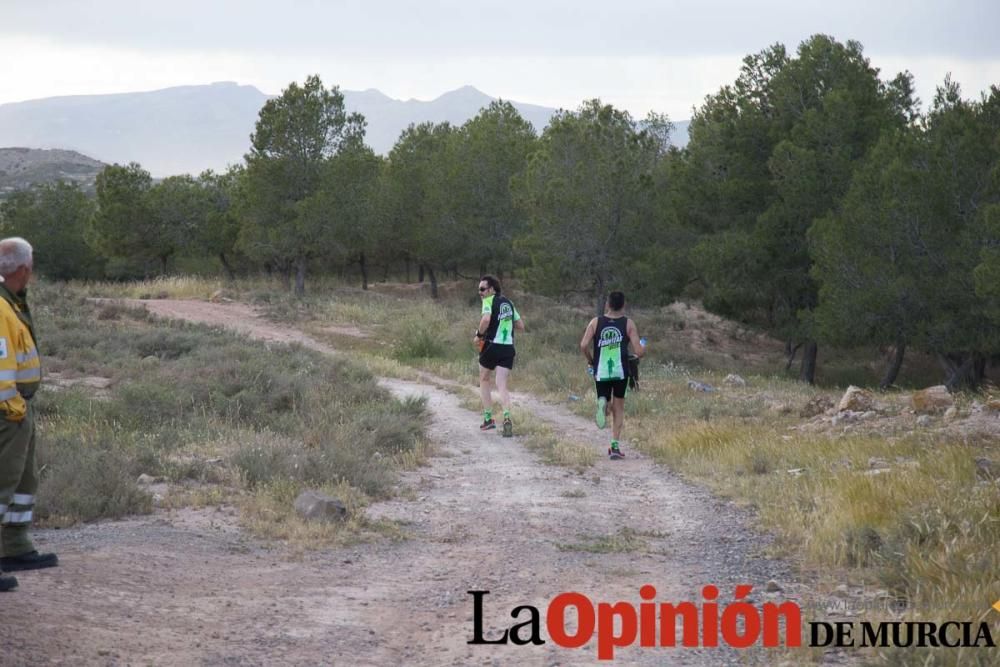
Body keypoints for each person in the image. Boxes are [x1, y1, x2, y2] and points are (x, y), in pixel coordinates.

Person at [0, 237, 57, 593]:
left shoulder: (12, 302)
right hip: (8, 411)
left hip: (17, 408)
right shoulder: (1, 307)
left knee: (22, 481)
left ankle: (14, 547)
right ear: (24, 269)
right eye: (31, 264)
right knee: (2, 482)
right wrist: (13, 407)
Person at [580, 291, 645, 459]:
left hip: (600, 371)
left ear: (607, 304)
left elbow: (584, 345)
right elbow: (638, 351)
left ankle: (603, 403)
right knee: (619, 408)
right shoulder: (628, 323)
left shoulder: (596, 322)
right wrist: (642, 349)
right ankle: (615, 446)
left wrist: (591, 360)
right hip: (620, 372)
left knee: (606, 404)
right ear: (623, 305)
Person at [473, 275, 524, 437]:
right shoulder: (509, 303)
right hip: (508, 347)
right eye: (479, 290)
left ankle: (488, 419)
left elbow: (486, 319)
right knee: (502, 383)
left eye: (482, 289)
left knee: (484, 378)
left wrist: (479, 335)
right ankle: (507, 417)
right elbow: (521, 326)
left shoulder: (488, 301)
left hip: (491, 345)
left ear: (491, 289)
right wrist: (504, 323)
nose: (480, 293)